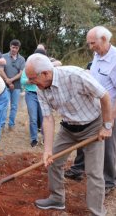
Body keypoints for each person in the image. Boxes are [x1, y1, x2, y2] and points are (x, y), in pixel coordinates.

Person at [25, 53, 112, 216]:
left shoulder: (74, 75)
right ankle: (57, 198)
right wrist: (47, 150)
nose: (30, 82)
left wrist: (107, 125)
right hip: (68, 129)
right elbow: (47, 119)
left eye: (32, 78)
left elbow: (104, 96)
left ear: (45, 73)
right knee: (53, 161)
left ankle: (97, 212)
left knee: (94, 172)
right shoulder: (41, 88)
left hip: (92, 126)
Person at [65, 26, 116, 196]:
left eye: (92, 43)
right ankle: (78, 169)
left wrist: (109, 122)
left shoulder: (115, 59)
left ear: (104, 39)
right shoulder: (98, 54)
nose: (90, 47)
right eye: (89, 44)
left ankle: (109, 180)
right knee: (84, 135)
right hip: (92, 106)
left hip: (109, 109)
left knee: (106, 144)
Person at [0, 39, 25, 130]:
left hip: (17, 86)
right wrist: (7, 81)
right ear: (10, 46)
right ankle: (2, 124)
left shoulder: (22, 59)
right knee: (5, 105)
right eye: (13, 47)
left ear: (18, 48)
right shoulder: (3, 57)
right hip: (5, 85)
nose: (14, 49)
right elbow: (1, 70)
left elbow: (21, 73)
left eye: (16, 48)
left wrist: (11, 80)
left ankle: (11, 124)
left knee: (14, 106)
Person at [20, 68, 43, 147]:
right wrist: (29, 81)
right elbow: (22, 81)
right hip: (30, 94)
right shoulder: (27, 69)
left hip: (43, 94)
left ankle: (44, 137)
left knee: (44, 117)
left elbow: (58, 63)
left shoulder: (45, 67)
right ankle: (34, 139)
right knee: (33, 118)